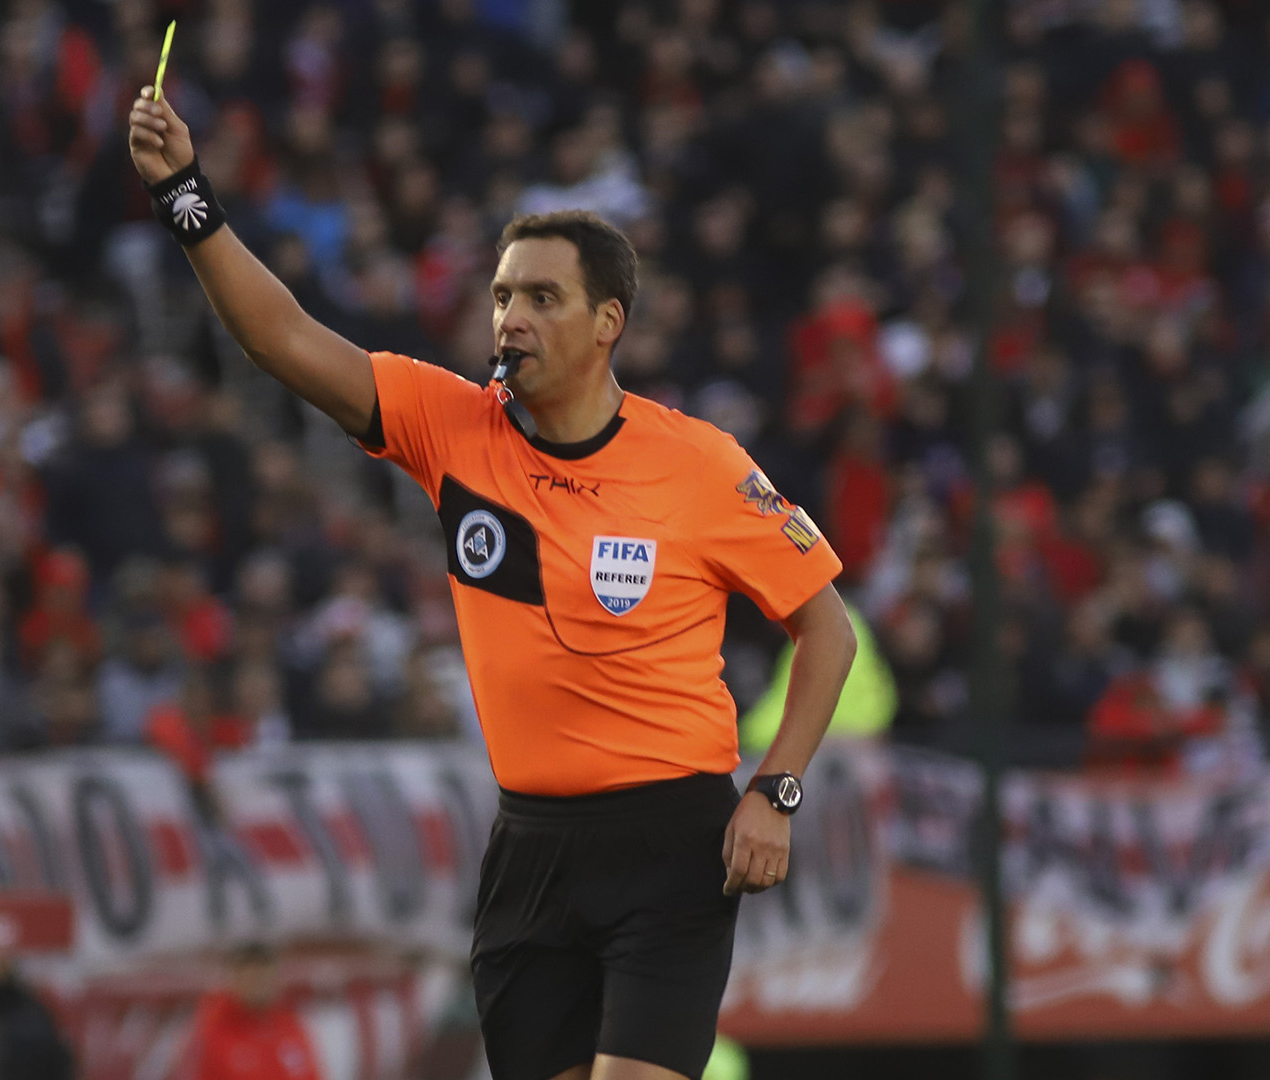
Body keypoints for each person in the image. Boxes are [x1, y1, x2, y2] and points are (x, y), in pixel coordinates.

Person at [130, 90, 857, 1080]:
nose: (511, 317)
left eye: (541, 299)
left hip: (670, 845)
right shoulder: (453, 428)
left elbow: (830, 632)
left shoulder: (700, 464)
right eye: (503, 296)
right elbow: (283, 339)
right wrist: (184, 193)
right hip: (531, 848)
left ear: (608, 323)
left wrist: (775, 791)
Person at [173, 944, 318, 1080]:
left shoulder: (289, 1023)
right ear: (233, 980)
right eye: (249, 976)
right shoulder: (210, 1027)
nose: (256, 984)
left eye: (262, 975)